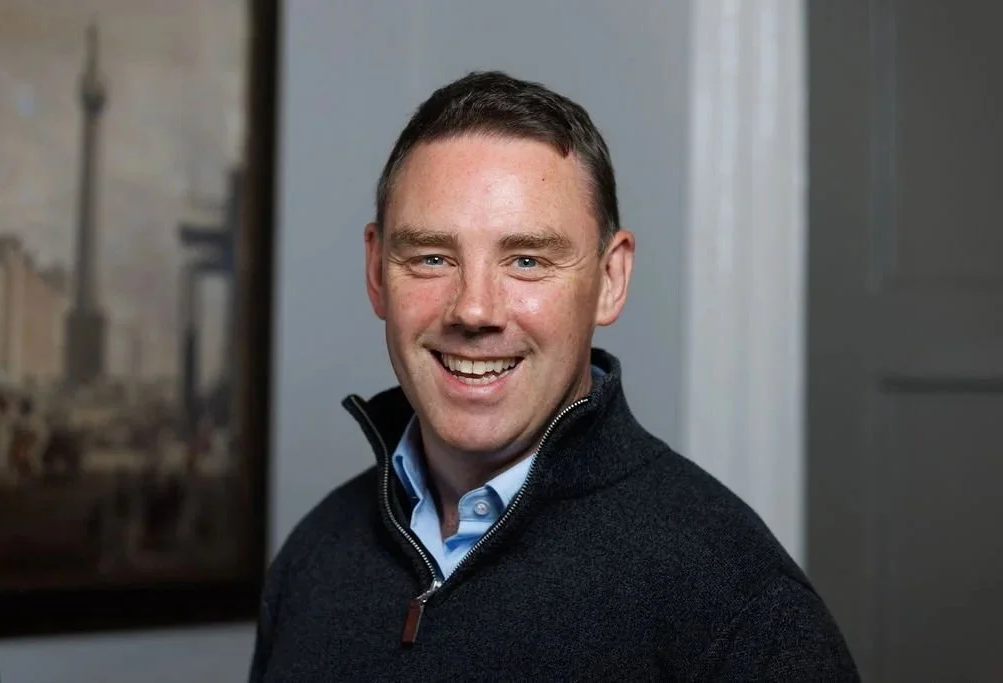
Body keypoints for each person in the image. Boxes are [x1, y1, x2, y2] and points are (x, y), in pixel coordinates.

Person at [249, 71, 859, 681]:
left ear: (610, 280)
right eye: (432, 257)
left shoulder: (742, 606)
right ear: (377, 270)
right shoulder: (315, 555)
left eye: (527, 260)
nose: (474, 310)